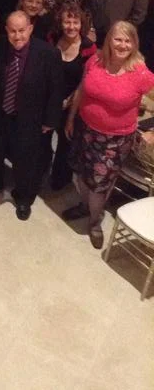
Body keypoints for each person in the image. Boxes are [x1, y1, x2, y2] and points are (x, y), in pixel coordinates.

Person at [65, 21, 154, 248]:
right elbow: (82, 89)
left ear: (134, 43)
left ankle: (95, 221)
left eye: (128, 40)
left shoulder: (141, 73)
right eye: (118, 39)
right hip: (85, 129)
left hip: (115, 139)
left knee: (99, 185)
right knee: (81, 174)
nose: (122, 45)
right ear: (109, 40)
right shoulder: (95, 60)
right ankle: (85, 207)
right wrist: (71, 117)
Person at [0, 11, 62, 220]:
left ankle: (24, 197)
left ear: (30, 29)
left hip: (29, 118)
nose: (17, 36)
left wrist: (50, 120)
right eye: (13, 31)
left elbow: (55, 90)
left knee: (26, 159)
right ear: (6, 30)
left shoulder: (48, 53)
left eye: (22, 31)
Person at [47, 6, 97, 191]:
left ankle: (60, 179)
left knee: (65, 142)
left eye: (75, 22)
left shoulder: (88, 47)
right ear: (61, 23)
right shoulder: (52, 39)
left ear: (81, 24)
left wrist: (66, 103)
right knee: (43, 138)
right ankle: (41, 170)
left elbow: (84, 83)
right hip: (49, 98)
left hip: (73, 101)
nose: (71, 26)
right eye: (67, 21)